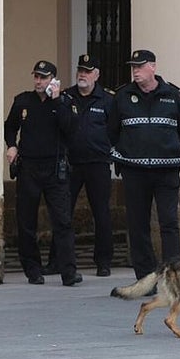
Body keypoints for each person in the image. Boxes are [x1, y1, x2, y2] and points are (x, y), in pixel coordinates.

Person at [108, 50, 180, 281]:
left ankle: (172, 273)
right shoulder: (122, 96)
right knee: (137, 224)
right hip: (134, 170)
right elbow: (112, 130)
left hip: (167, 169)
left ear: (152, 67)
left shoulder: (173, 95)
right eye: (133, 66)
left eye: (140, 66)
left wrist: (164, 148)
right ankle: (145, 276)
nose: (135, 70)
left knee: (169, 222)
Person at [4, 60, 80, 286]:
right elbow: (10, 126)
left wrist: (57, 100)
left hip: (55, 169)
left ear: (53, 80)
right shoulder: (23, 101)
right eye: (36, 76)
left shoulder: (65, 102)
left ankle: (68, 271)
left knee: (63, 221)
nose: (38, 81)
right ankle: (33, 270)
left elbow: (70, 128)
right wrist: (11, 145)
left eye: (43, 77)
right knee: (26, 221)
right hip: (29, 168)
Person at [57, 53, 115, 278]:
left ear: (96, 75)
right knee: (63, 213)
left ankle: (103, 262)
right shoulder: (66, 97)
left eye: (88, 71)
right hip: (70, 163)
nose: (83, 75)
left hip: (98, 164)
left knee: (101, 213)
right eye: (80, 70)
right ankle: (58, 260)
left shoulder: (108, 99)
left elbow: (115, 130)